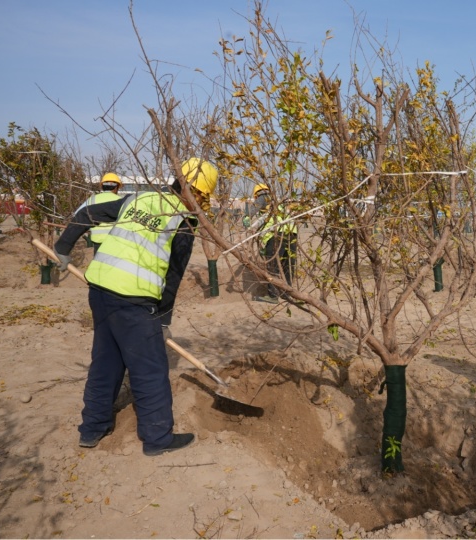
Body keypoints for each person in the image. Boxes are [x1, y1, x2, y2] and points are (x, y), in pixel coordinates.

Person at [53, 158, 218, 457]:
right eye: (202, 197)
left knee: (106, 361)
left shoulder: (139, 198)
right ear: (195, 191)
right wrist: (163, 320)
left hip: (101, 289)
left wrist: (64, 246)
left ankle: (92, 429)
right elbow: (173, 276)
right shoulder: (182, 220)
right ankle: (157, 438)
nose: (200, 204)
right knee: (150, 368)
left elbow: (89, 213)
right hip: (133, 299)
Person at [245, 183, 297, 304]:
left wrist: (246, 216)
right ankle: (288, 293)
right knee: (287, 265)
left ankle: (273, 296)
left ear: (257, 194)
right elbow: (263, 224)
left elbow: (256, 208)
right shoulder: (278, 204)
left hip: (277, 234)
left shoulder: (264, 197)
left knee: (272, 266)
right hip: (291, 233)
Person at [73, 172, 123, 253]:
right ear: (116, 187)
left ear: (102, 186)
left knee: (98, 265)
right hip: (115, 240)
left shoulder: (92, 199)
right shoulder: (121, 201)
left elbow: (78, 214)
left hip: (98, 241)